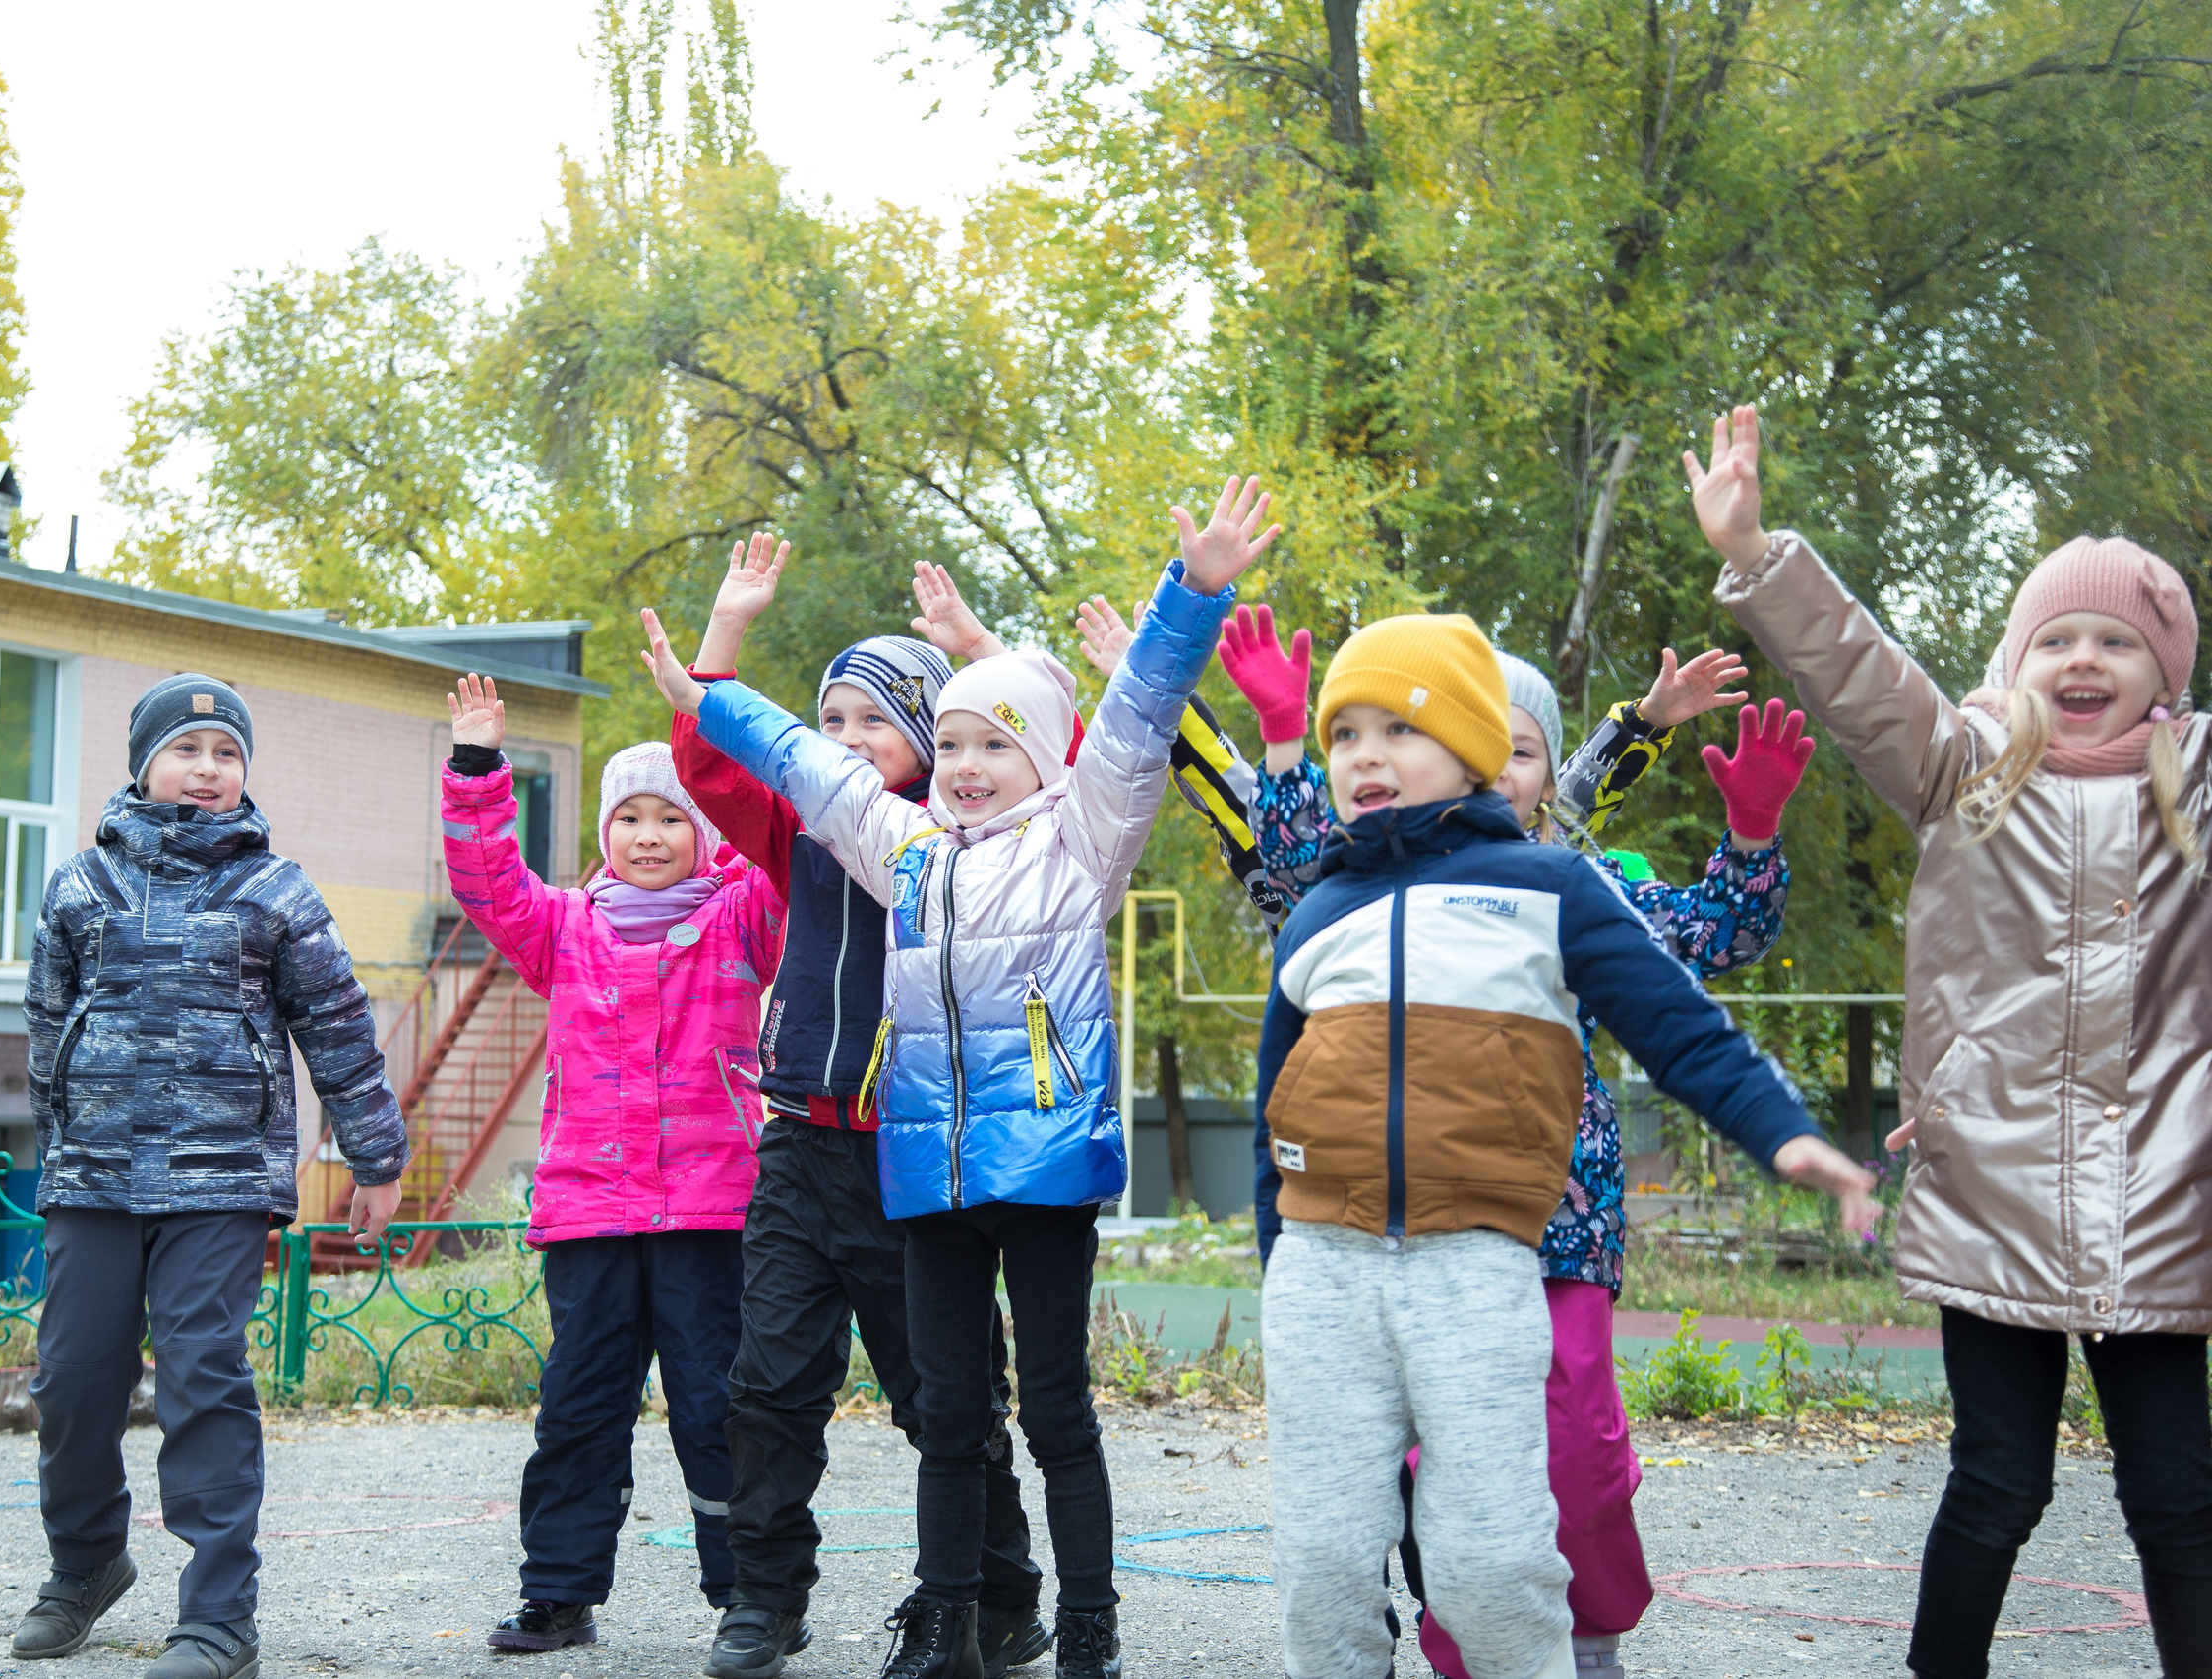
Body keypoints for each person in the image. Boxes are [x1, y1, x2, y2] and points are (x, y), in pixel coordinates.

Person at [641, 473, 1283, 1679]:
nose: (966, 764)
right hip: (917, 1174)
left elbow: (1137, 719)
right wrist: (709, 695)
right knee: (934, 1414)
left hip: (1035, 1171)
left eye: (990, 745)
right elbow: (802, 764)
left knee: (1047, 1413)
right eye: (954, 745)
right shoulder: (908, 852)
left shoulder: (1078, 847)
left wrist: (1190, 594)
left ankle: (1078, 1626)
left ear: (1037, 760)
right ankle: (941, 1625)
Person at [1685, 404, 2212, 1679]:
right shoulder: (1966, 763)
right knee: (1998, 1481)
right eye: (2059, 637)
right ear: (2019, 656)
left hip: (2162, 1195)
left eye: (2118, 641)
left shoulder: (2196, 784)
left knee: (2179, 1495)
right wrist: (1758, 554)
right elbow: (1859, 671)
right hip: (1997, 1188)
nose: (2084, 659)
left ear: (2169, 672)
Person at [1249, 611, 1878, 1679]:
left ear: (1475, 747)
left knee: (1491, 1561)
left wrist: (1785, 1136)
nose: (1361, 754)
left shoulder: (1549, 887)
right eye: (1341, 731)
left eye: (1394, 728)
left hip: (1479, 1266)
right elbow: (1279, 1108)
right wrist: (1274, 1257)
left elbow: (1678, 1026)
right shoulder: (1317, 915)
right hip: (1322, 1280)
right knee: (1322, 1566)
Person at [667, 537, 1051, 1679]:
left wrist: (981, 655)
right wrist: (726, 630)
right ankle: (765, 1603)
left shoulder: (972, 843)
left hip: (915, 1160)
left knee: (948, 1402)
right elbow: (713, 759)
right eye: (827, 722)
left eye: (870, 722)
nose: (841, 743)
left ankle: (1000, 1598)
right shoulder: (800, 833)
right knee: (767, 1388)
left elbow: (1060, 762)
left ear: (933, 739)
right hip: (801, 1145)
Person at [13, 674, 409, 1679]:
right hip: (93, 1179)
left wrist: (374, 1155)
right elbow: (46, 1023)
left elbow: (339, 1031)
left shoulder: (276, 891)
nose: (208, 769)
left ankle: (220, 1615)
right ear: (144, 763)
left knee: (203, 1381)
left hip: (221, 1180)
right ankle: (86, 1564)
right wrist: (67, 1137)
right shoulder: (78, 886)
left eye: (226, 754)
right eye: (188, 751)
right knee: (73, 1384)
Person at [441, 695, 785, 1655]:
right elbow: (485, 879)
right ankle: (558, 1592)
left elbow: (792, 851)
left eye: (672, 815)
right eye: (629, 817)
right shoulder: (561, 929)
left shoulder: (741, 919)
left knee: (719, 1412)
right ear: (603, 833)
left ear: (706, 831)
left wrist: (730, 738)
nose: (647, 835)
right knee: (579, 1411)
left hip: (710, 1217)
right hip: (589, 1216)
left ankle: (752, 1597)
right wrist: (475, 767)